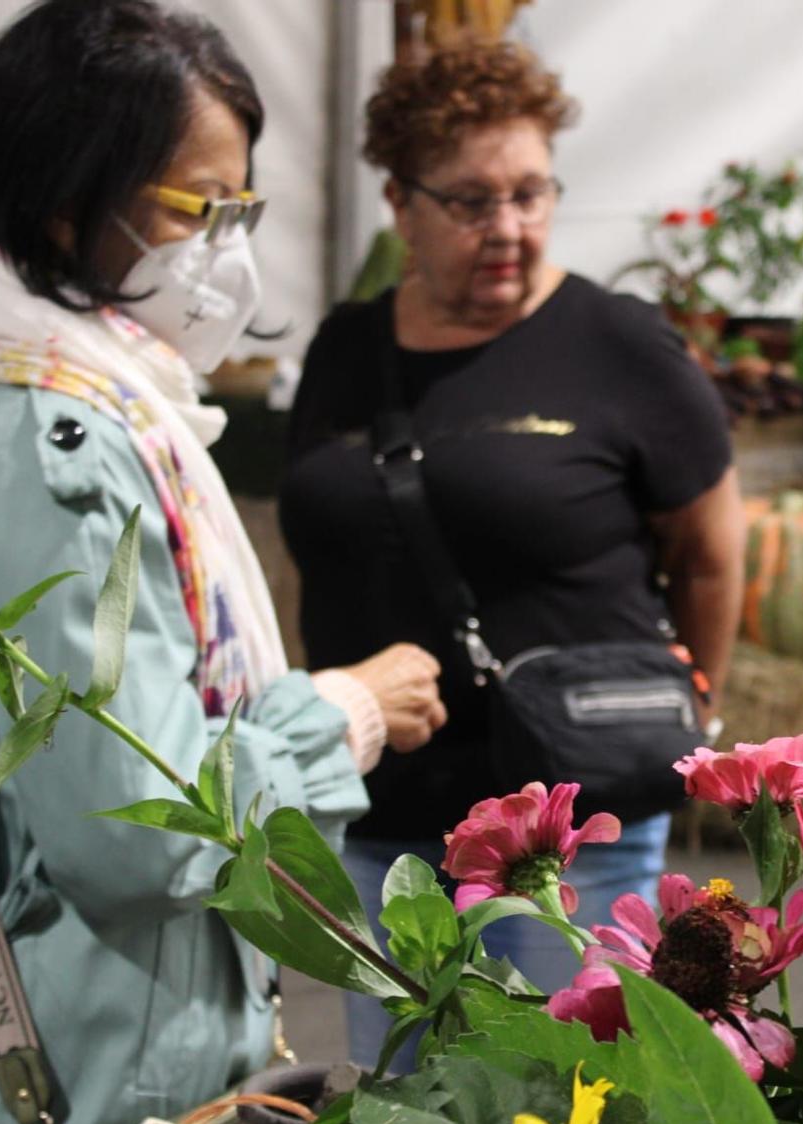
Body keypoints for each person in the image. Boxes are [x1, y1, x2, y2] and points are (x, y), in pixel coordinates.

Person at [0, 0, 442, 1124]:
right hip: (80, 1096)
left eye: (239, 206)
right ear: (63, 202)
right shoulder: (59, 443)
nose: (227, 252)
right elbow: (136, 830)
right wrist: (336, 713)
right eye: (196, 207)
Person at [279, 40, 744, 1066]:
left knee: (579, 1102)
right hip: (386, 816)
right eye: (473, 202)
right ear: (399, 203)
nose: (511, 229)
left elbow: (711, 548)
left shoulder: (618, 344)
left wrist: (697, 696)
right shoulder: (346, 351)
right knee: (413, 1122)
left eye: (532, 194)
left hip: (566, 832)